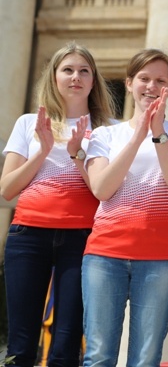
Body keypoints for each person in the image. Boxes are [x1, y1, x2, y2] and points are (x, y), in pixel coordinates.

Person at [82, 49, 168, 367]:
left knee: (146, 358)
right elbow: (102, 189)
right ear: (129, 83)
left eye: (160, 81)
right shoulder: (105, 134)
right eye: (144, 79)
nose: (151, 86)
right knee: (99, 355)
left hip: (160, 260)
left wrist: (158, 133)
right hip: (105, 255)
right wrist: (138, 135)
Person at [0, 42, 114, 367]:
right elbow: (7, 189)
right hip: (28, 236)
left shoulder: (109, 130)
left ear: (94, 81)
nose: (75, 77)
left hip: (84, 239)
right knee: (20, 345)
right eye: (67, 69)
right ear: (53, 77)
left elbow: (106, 191)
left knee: (66, 343)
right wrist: (42, 150)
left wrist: (78, 153)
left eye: (84, 71)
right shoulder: (28, 123)